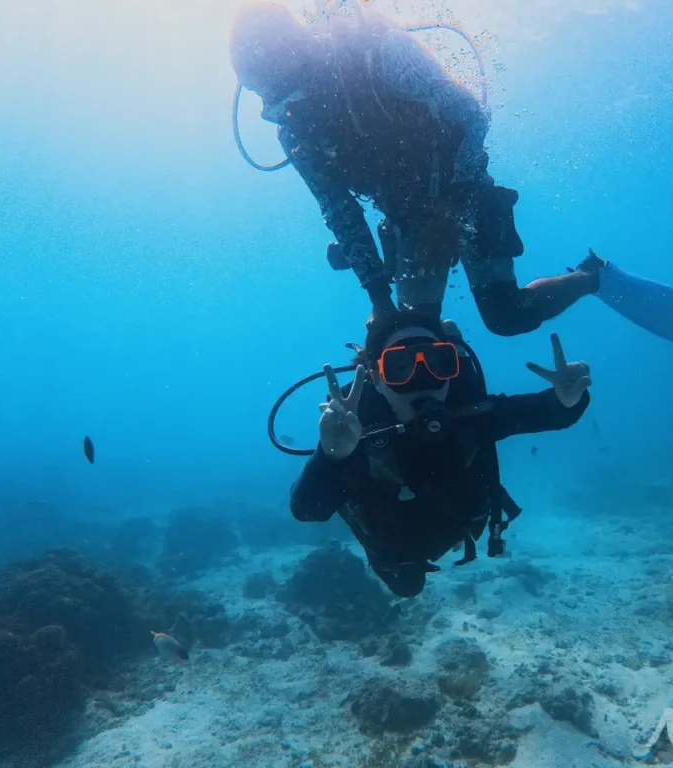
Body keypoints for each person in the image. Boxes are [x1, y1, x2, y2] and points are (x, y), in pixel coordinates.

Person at [229, 2, 603, 336]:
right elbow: (338, 209)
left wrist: (450, 205)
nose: (280, 102)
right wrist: (379, 298)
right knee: (412, 334)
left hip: (466, 191)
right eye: (264, 92)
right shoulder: (294, 131)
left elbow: (471, 116)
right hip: (407, 217)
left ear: (298, 48)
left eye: (280, 84)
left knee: (506, 316)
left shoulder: (378, 52)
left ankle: (590, 276)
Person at [288, 310, 593, 597]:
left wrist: (567, 400)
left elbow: (546, 413)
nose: (422, 380)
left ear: (452, 371)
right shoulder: (358, 429)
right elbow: (307, 510)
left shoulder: (469, 414)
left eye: (438, 362)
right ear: (377, 379)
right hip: (396, 545)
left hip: (453, 525)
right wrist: (332, 456)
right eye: (399, 367)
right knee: (407, 587)